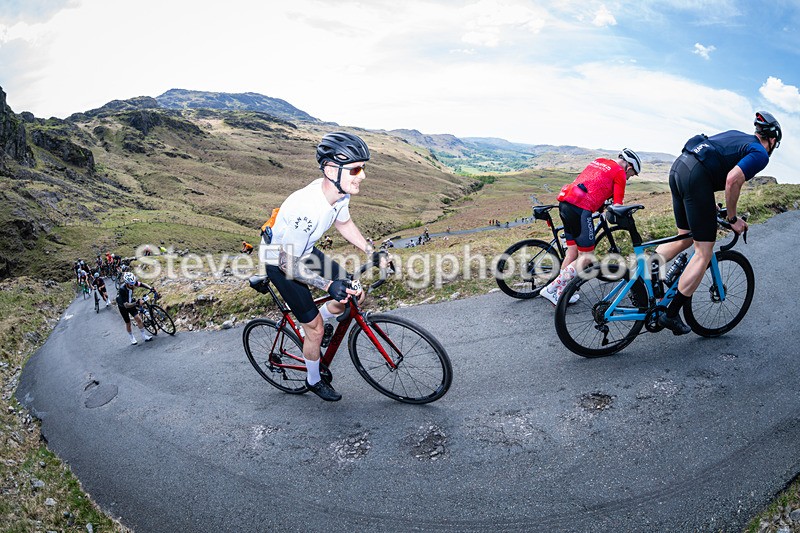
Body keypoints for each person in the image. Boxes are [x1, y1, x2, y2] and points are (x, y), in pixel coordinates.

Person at [263, 131, 376, 402]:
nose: (362, 176)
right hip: (279, 261)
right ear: (329, 169)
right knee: (314, 327)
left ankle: (318, 323)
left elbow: (344, 223)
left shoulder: (339, 193)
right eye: (356, 169)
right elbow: (286, 263)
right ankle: (313, 378)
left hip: (303, 251)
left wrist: (371, 250)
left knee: (353, 291)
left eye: (363, 168)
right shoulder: (307, 210)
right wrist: (327, 285)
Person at [653, 111, 781, 334]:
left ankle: (644, 278)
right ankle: (670, 314)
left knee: (685, 237)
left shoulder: (737, 137)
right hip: (695, 178)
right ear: (772, 140)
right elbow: (733, 179)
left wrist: (711, 207)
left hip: (679, 168)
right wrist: (732, 218)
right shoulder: (760, 153)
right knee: (703, 252)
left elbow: (710, 164)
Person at [540, 148, 642, 306]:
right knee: (587, 257)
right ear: (629, 167)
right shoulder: (620, 173)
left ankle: (561, 293)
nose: (629, 178)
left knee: (572, 252)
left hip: (565, 204)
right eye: (632, 174)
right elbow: (617, 207)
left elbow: (590, 183)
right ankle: (552, 288)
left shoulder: (600, 161)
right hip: (580, 211)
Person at [116, 272, 156, 345]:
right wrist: (137, 303)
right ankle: (131, 337)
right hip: (123, 306)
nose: (133, 285)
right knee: (128, 323)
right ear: (126, 283)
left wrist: (151, 288)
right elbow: (126, 305)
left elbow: (142, 284)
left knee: (138, 319)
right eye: (131, 284)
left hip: (130, 301)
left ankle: (144, 336)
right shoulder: (122, 289)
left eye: (133, 283)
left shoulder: (132, 283)